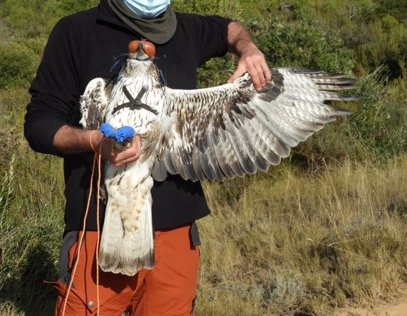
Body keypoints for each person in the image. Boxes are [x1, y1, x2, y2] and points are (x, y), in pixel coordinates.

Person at [24, 0, 271, 315]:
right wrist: (94, 140)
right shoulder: (75, 31)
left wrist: (248, 48)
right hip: (99, 227)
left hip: (175, 234)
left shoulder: (186, 29)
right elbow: (38, 123)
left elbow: (229, 29)